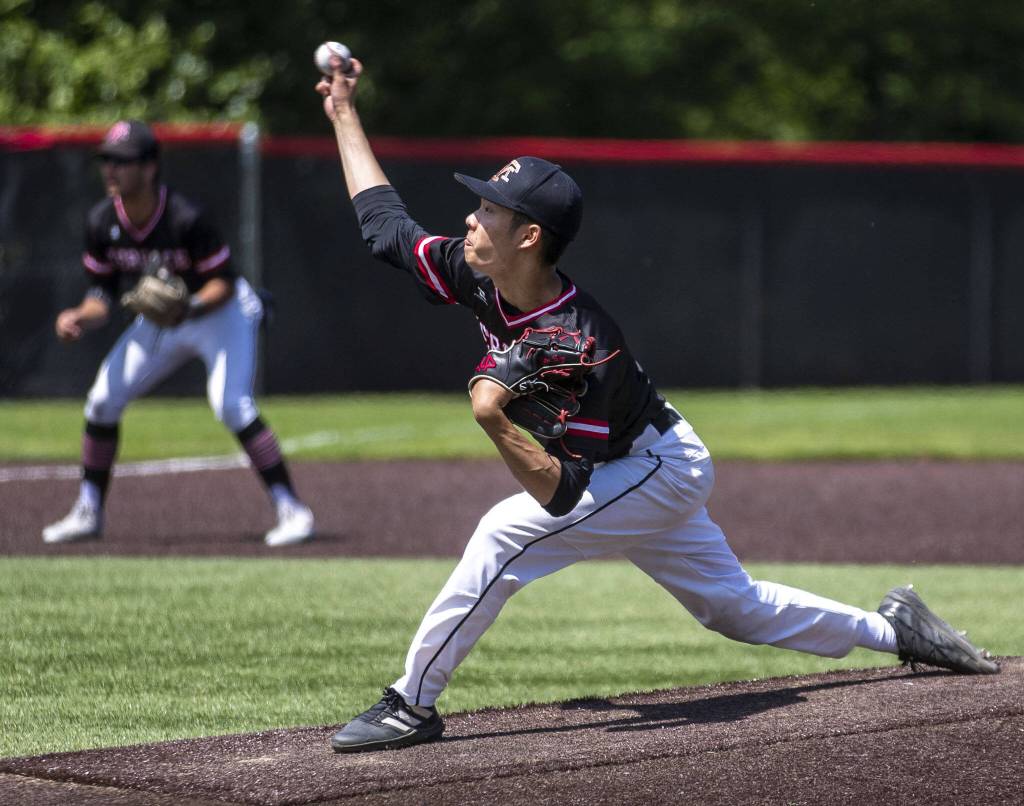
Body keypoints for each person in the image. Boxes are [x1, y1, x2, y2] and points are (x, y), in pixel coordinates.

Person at [315, 56, 998, 753]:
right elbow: (384, 227)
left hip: (652, 468)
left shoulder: (582, 344)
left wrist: (492, 417)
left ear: (528, 237)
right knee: (736, 610)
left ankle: (412, 703)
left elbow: (560, 494)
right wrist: (344, 115)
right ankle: (898, 629)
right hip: (637, 464)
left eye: (490, 207)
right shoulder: (477, 272)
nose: (470, 214)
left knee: (502, 533)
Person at [42, 120, 315, 548]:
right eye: (106, 161)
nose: (110, 170)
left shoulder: (185, 217)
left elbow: (223, 281)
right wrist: (78, 315)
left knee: (231, 405)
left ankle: (293, 509)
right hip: (164, 319)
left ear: (150, 167)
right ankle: (88, 510)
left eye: (122, 161)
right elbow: (102, 295)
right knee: (101, 400)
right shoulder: (100, 221)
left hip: (219, 312)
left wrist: (188, 307)